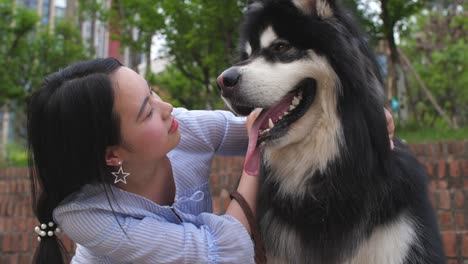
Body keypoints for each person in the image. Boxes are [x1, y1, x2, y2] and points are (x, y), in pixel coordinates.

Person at [28, 57, 395, 264]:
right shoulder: (87, 215)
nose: (167, 107)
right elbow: (226, 253)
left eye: (152, 92)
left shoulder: (179, 128)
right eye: (146, 111)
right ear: (113, 154)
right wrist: (252, 165)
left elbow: (261, 128)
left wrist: (357, 124)